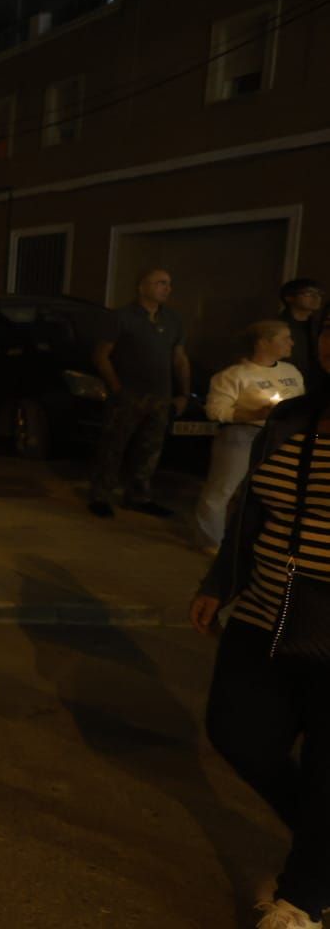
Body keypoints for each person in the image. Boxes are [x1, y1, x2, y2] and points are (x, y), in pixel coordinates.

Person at [191, 323, 330, 929]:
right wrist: (222, 580)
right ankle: (324, 849)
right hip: (265, 607)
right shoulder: (293, 416)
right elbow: (252, 503)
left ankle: (304, 897)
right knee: (237, 731)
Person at [193, 321, 305, 555]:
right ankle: (212, 541)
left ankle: (254, 539)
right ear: (263, 342)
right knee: (222, 489)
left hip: (281, 436)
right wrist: (255, 413)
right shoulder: (234, 375)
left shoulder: (291, 372)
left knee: (269, 491)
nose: (291, 343)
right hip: (242, 435)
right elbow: (216, 410)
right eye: (285, 338)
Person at [87, 267, 191, 518]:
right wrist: (117, 387)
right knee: (114, 446)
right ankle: (101, 495)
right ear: (142, 286)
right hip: (129, 394)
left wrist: (183, 393)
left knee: (150, 448)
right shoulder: (121, 317)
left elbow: (179, 358)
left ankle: (139, 495)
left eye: (168, 284)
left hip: (160, 395)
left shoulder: (173, 320)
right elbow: (102, 355)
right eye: (160, 283)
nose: (167, 288)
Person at [279, 278, 326, 398]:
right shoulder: (277, 326)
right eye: (309, 293)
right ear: (289, 297)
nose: (316, 298)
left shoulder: (321, 326)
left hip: (319, 385)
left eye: (319, 294)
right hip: (286, 384)